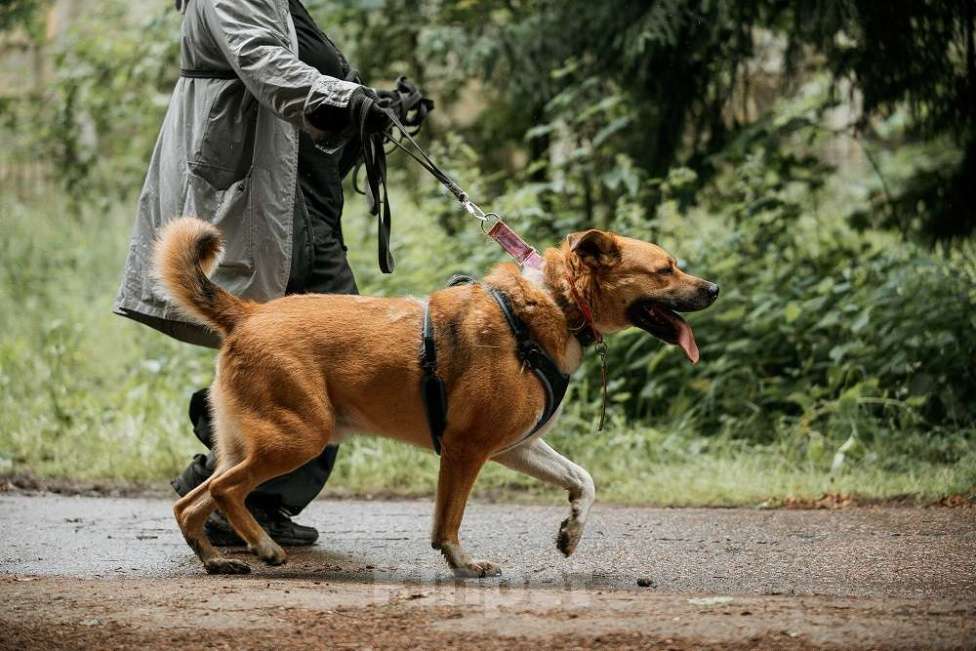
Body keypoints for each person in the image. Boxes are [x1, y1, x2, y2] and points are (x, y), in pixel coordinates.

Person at [114, 0, 430, 546]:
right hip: (273, 200)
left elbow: (306, 78)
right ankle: (241, 493)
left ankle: (229, 480)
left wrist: (372, 104)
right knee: (338, 356)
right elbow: (263, 60)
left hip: (307, 199)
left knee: (316, 359)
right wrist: (345, 98)